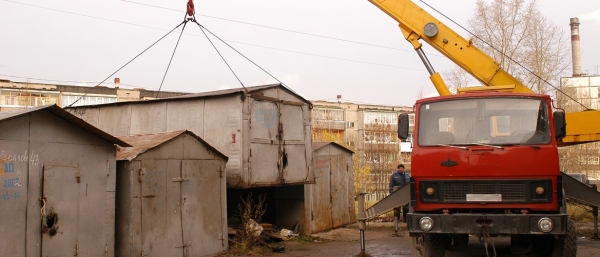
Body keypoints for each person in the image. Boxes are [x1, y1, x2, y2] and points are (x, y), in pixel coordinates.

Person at [389, 164, 410, 234]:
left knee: (406, 208)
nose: (400, 169)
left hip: (405, 194)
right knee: (396, 208)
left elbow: (409, 183)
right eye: (399, 168)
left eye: (402, 168)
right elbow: (391, 185)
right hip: (397, 194)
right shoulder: (394, 175)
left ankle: (406, 221)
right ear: (397, 169)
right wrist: (392, 193)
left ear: (404, 169)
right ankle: (396, 221)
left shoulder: (407, 175)